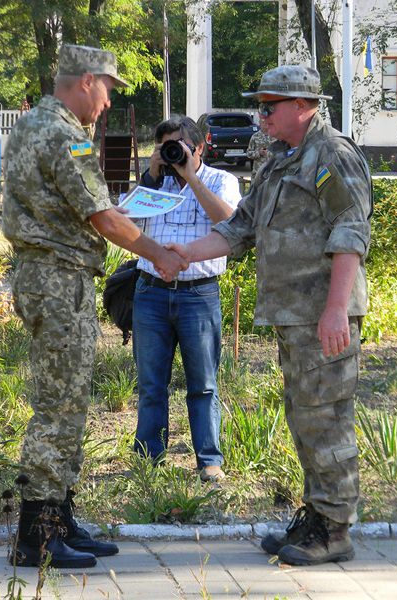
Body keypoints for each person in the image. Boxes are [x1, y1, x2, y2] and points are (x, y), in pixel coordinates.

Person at [167, 65, 372, 567]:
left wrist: (335, 310)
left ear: (303, 107)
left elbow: (351, 234)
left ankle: (336, 529)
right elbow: (239, 227)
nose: (262, 116)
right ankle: (317, 516)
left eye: (270, 106)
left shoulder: (332, 155)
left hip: (321, 315)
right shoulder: (280, 160)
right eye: (260, 106)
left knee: (327, 420)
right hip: (291, 315)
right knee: (306, 418)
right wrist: (183, 254)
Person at [1, 44, 187, 570]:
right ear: (86, 81)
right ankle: (37, 534)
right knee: (60, 406)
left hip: (53, 276)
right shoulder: (63, 134)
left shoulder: (32, 125)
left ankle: (59, 518)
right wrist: (157, 255)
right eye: (108, 89)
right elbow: (102, 218)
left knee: (70, 400)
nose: (108, 103)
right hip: (59, 281)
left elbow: (84, 210)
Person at [132, 116, 241, 482]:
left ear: (199, 146)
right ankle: (148, 460)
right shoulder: (154, 184)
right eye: (166, 146)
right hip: (151, 293)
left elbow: (231, 222)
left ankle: (209, 460)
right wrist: (150, 175)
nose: (173, 152)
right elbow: (126, 221)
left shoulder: (221, 180)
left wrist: (191, 177)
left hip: (199, 293)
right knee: (150, 383)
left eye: (179, 145)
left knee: (204, 382)